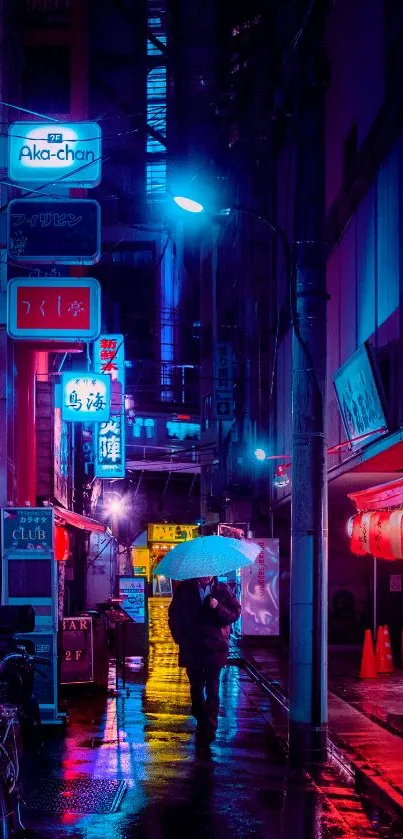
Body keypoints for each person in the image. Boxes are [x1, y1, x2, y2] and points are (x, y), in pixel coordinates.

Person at [168, 575, 241, 742]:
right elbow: (174, 615)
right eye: (203, 571)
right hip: (192, 647)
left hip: (215, 648)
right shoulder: (184, 589)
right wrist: (180, 638)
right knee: (196, 688)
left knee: (213, 688)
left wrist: (218, 607)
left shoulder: (222, 590)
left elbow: (234, 614)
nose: (207, 575)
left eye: (210, 571)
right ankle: (201, 717)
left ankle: (211, 723)